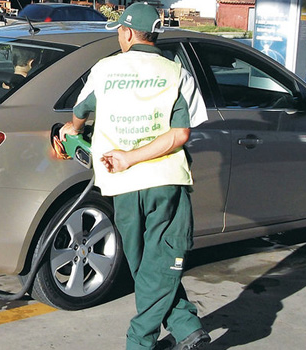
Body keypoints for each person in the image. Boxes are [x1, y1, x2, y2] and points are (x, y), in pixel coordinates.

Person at [59, 3, 210, 350]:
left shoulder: (105, 69)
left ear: (126, 33)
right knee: (156, 265)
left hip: (123, 184)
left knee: (146, 263)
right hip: (166, 181)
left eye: (119, 31)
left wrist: (75, 130)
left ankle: (139, 341)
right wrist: (135, 156)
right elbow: (180, 134)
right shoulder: (176, 73)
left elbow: (80, 111)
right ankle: (187, 328)